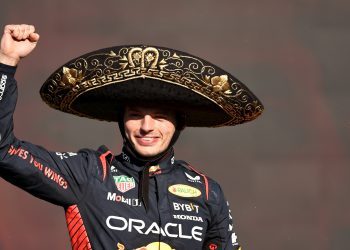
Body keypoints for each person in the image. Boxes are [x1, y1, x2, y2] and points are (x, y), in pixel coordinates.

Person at [0, 24, 264, 250]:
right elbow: (4, 151)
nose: (146, 126)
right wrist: (6, 63)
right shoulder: (89, 174)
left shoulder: (207, 192)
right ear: (121, 121)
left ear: (179, 123)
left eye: (160, 116)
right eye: (136, 115)